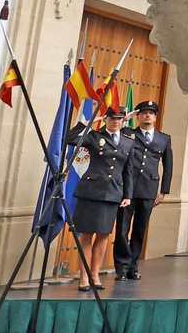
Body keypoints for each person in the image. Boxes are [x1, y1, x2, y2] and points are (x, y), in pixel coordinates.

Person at [66, 106, 130, 291]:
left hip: (112, 194)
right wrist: (88, 122)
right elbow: (70, 139)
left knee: (103, 235)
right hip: (91, 191)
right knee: (86, 234)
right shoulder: (94, 137)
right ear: (106, 119)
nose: (116, 122)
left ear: (123, 120)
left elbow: (128, 171)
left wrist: (128, 195)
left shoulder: (127, 142)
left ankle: (95, 275)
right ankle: (84, 276)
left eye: (119, 119)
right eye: (112, 118)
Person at [117, 100, 173, 280]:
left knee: (140, 230)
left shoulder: (164, 138)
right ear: (138, 116)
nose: (147, 115)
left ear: (156, 117)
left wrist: (164, 190)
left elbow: (168, 165)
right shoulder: (128, 133)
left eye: (151, 113)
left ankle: (133, 267)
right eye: (144, 113)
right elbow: (110, 133)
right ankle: (122, 267)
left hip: (149, 189)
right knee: (122, 229)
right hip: (128, 189)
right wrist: (125, 120)